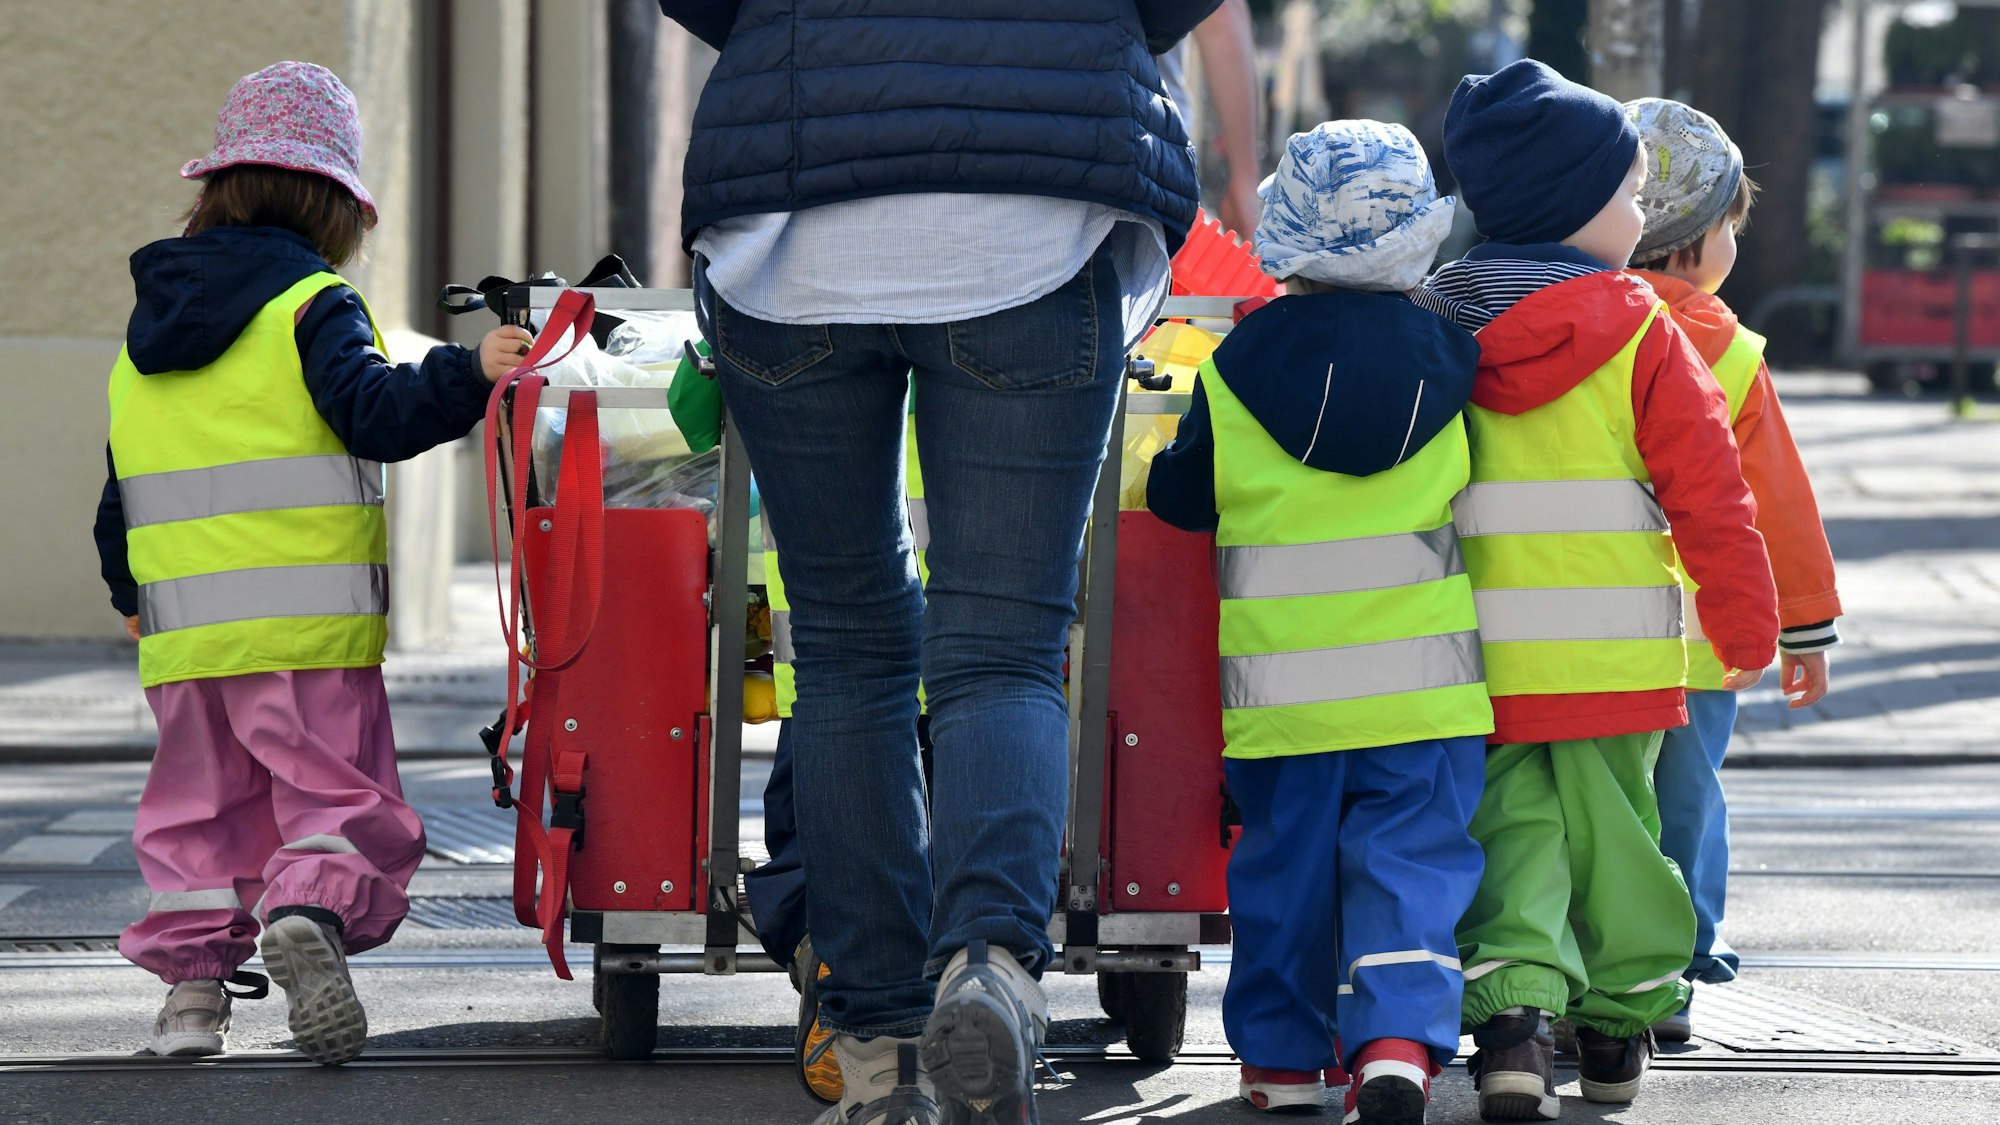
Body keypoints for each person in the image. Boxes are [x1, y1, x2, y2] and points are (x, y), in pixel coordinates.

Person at [655, 3, 1215, 1122]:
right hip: (1034, 220)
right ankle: (990, 967)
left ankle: (871, 1032)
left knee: (850, 649)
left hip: (788, 231)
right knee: (1001, 649)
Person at [93, 62, 529, 1065]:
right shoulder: (311, 303)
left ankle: (192, 1004)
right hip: (305, 629)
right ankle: (306, 913)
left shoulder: (146, 332)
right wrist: (470, 372)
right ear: (334, 203)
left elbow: (121, 483)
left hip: (183, 635)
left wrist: (130, 594)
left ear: (218, 188)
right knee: (334, 802)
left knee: (197, 821)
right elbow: (372, 412)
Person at [1412, 59, 1779, 1120]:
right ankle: (1616, 1027)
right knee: (1620, 843)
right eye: (1626, 194)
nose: (1638, 213)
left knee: (1512, 846)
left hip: (1473, 666)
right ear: (1577, 211)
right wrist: (1743, 617)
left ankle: (1515, 1032)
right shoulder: (1642, 334)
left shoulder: (1437, 327)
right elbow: (1710, 495)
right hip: (1616, 663)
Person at [1147, 121, 1492, 1124]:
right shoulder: (1455, 363)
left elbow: (1182, 499)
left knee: (1281, 878)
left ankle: (1283, 1061)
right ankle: (1392, 1045)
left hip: (1282, 699)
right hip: (1424, 690)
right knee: (1409, 869)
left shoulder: (1235, 365)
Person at [1623, 97, 1842, 1041]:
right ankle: (1689, 944)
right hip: (1707, 637)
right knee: (1689, 793)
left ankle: (1598, 947)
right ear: (1697, 242)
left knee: (1600, 792)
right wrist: (1805, 627)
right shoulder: (1732, 351)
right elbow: (1777, 506)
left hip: (1584, 624)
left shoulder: (1582, 328)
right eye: (1731, 228)